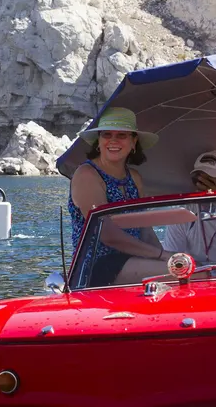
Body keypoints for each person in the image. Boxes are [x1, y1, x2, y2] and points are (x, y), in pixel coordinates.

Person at [68, 107, 174, 286]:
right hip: (96, 266)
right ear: (98, 142)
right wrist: (162, 256)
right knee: (192, 272)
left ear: (134, 142)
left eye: (122, 135)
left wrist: (166, 258)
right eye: (107, 134)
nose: (113, 140)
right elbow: (107, 234)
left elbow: (145, 230)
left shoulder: (134, 177)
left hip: (133, 260)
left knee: (192, 267)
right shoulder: (87, 174)